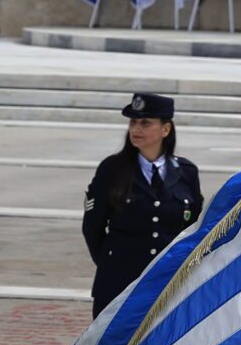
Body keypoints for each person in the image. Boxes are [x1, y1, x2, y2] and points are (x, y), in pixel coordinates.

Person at [83, 92, 204, 314]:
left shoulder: (186, 172)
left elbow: (193, 228)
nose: (136, 129)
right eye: (133, 122)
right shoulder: (112, 169)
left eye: (145, 123)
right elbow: (93, 227)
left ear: (165, 129)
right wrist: (112, 265)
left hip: (166, 284)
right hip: (118, 284)